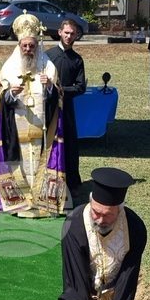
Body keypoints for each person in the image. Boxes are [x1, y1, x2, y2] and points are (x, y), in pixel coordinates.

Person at [59, 167, 147, 300]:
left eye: (107, 215)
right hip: (83, 296)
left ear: (119, 209)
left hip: (116, 299)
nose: (99, 220)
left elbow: (127, 282)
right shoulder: (74, 224)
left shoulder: (135, 228)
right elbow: (73, 276)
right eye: (96, 212)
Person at [0, 13, 65, 216]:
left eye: (31, 46)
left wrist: (49, 87)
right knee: (21, 165)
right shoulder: (9, 67)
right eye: (24, 46)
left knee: (41, 162)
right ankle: (18, 202)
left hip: (43, 128)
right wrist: (10, 94)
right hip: (16, 128)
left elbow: (59, 96)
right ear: (19, 45)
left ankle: (44, 202)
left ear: (37, 45)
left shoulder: (47, 66)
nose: (28, 49)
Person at [46, 19, 86, 193]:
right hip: (48, 107)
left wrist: (62, 90)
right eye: (66, 32)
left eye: (72, 33)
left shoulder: (77, 60)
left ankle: (71, 182)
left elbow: (80, 87)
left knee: (69, 144)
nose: (69, 36)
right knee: (49, 143)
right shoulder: (48, 56)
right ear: (60, 32)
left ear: (76, 35)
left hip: (67, 108)